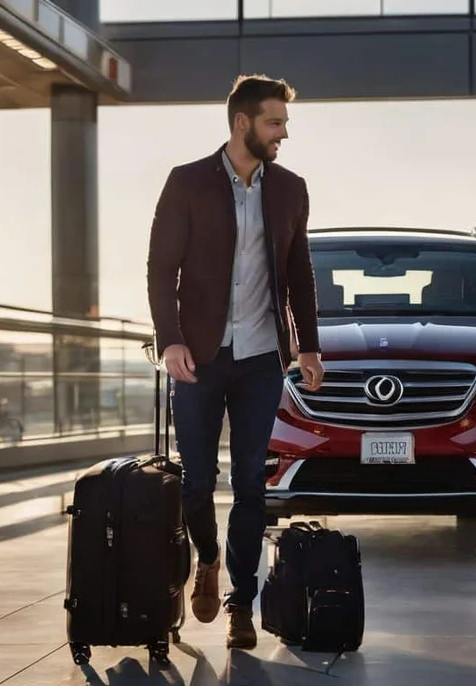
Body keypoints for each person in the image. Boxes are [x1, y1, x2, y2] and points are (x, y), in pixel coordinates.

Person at [146, 73, 325, 649]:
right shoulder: (187, 182)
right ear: (243, 122)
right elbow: (159, 268)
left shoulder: (290, 189)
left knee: (252, 483)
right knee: (198, 480)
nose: (283, 134)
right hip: (197, 356)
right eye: (276, 122)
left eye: (285, 124)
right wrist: (169, 339)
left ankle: (241, 603)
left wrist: (310, 344)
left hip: (260, 359)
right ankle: (206, 557)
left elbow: (300, 272)